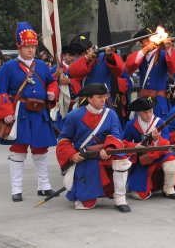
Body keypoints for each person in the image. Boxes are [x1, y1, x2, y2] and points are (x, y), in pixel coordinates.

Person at [0, 22, 58, 202]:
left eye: (33, 46)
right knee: (18, 150)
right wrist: (5, 112)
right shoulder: (9, 67)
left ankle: (44, 186)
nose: (31, 50)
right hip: (19, 113)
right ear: (19, 47)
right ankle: (16, 189)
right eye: (27, 46)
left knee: (41, 150)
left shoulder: (42, 66)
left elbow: (51, 82)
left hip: (40, 112)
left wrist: (53, 93)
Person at [56, 84, 132, 213]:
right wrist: (72, 155)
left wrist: (108, 149)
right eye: (99, 97)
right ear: (90, 99)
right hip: (85, 157)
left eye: (105, 97)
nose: (103, 100)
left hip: (106, 152)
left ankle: (120, 198)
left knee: (122, 159)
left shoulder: (111, 114)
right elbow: (63, 140)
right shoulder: (74, 116)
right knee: (85, 204)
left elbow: (115, 135)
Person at [123, 97, 175, 200]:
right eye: (145, 112)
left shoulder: (160, 123)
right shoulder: (131, 125)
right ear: (139, 112)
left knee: (172, 160)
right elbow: (124, 143)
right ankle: (151, 187)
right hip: (142, 160)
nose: (149, 115)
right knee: (138, 195)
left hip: (159, 156)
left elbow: (166, 144)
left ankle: (169, 188)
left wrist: (157, 139)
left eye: (151, 111)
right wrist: (135, 146)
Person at [125, 28, 175, 118]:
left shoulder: (163, 54)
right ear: (141, 43)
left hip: (159, 100)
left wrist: (169, 49)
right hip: (144, 100)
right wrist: (146, 50)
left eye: (150, 39)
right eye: (146, 41)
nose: (149, 42)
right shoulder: (140, 55)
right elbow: (129, 66)